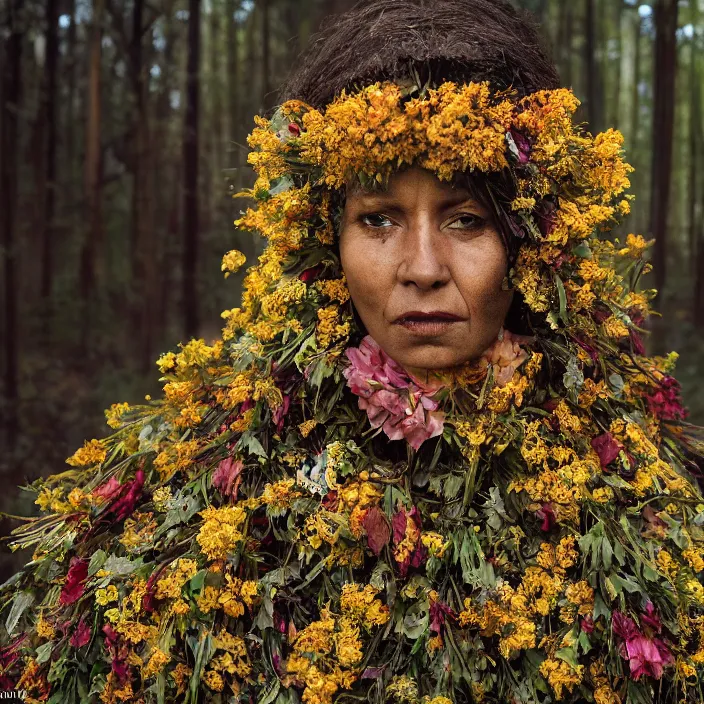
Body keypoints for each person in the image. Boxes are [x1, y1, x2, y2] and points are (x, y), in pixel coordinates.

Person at [1, 1, 703, 702]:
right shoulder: (183, 500)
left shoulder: (654, 506)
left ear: (529, 245)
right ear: (326, 243)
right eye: (378, 219)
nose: (422, 267)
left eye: (466, 219)